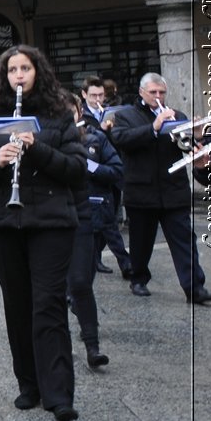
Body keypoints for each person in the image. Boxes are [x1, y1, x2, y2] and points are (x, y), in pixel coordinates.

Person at [0, 45, 87, 421]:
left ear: (38, 72)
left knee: (48, 304)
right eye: (12, 69)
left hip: (50, 220)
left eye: (26, 68)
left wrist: (38, 151)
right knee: (17, 305)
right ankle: (29, 384)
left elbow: (76, 169)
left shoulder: (59, 116)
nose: (19, 75)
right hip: (1, 221)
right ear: (4, 75)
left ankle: (58, 394)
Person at [110, 73, 211, 304]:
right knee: (141, 242)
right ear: (142, 93)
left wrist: (197, 142)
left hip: (173, 191)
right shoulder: (125, 116)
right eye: (153, 92)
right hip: (142, 192)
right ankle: (138, 278)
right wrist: (154, 127)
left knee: (185, 241)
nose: (158, 96)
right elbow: (121, 139)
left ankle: (194, 288)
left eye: (162, 92)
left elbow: (185, 147)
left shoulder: (177, 115)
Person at [71, 102, 122, 369]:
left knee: (81, 281)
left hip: (86, 213)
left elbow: (116, 170)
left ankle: (93, 346)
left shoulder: (95, 139)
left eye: (70, 112)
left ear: (79, 114)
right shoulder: (40, 139)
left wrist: (92, 168)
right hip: (51, 218)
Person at [79, 76, 132, 276]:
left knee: (108, 219)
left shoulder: (112, 113)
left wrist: (112, 130)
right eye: (93, 95)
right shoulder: (83, 117)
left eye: (101, 95)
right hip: (93, 176)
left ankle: (97, 258)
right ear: (84, 95)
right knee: (106, 224)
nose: (98, 99)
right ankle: (122, 264)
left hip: (111, 169)